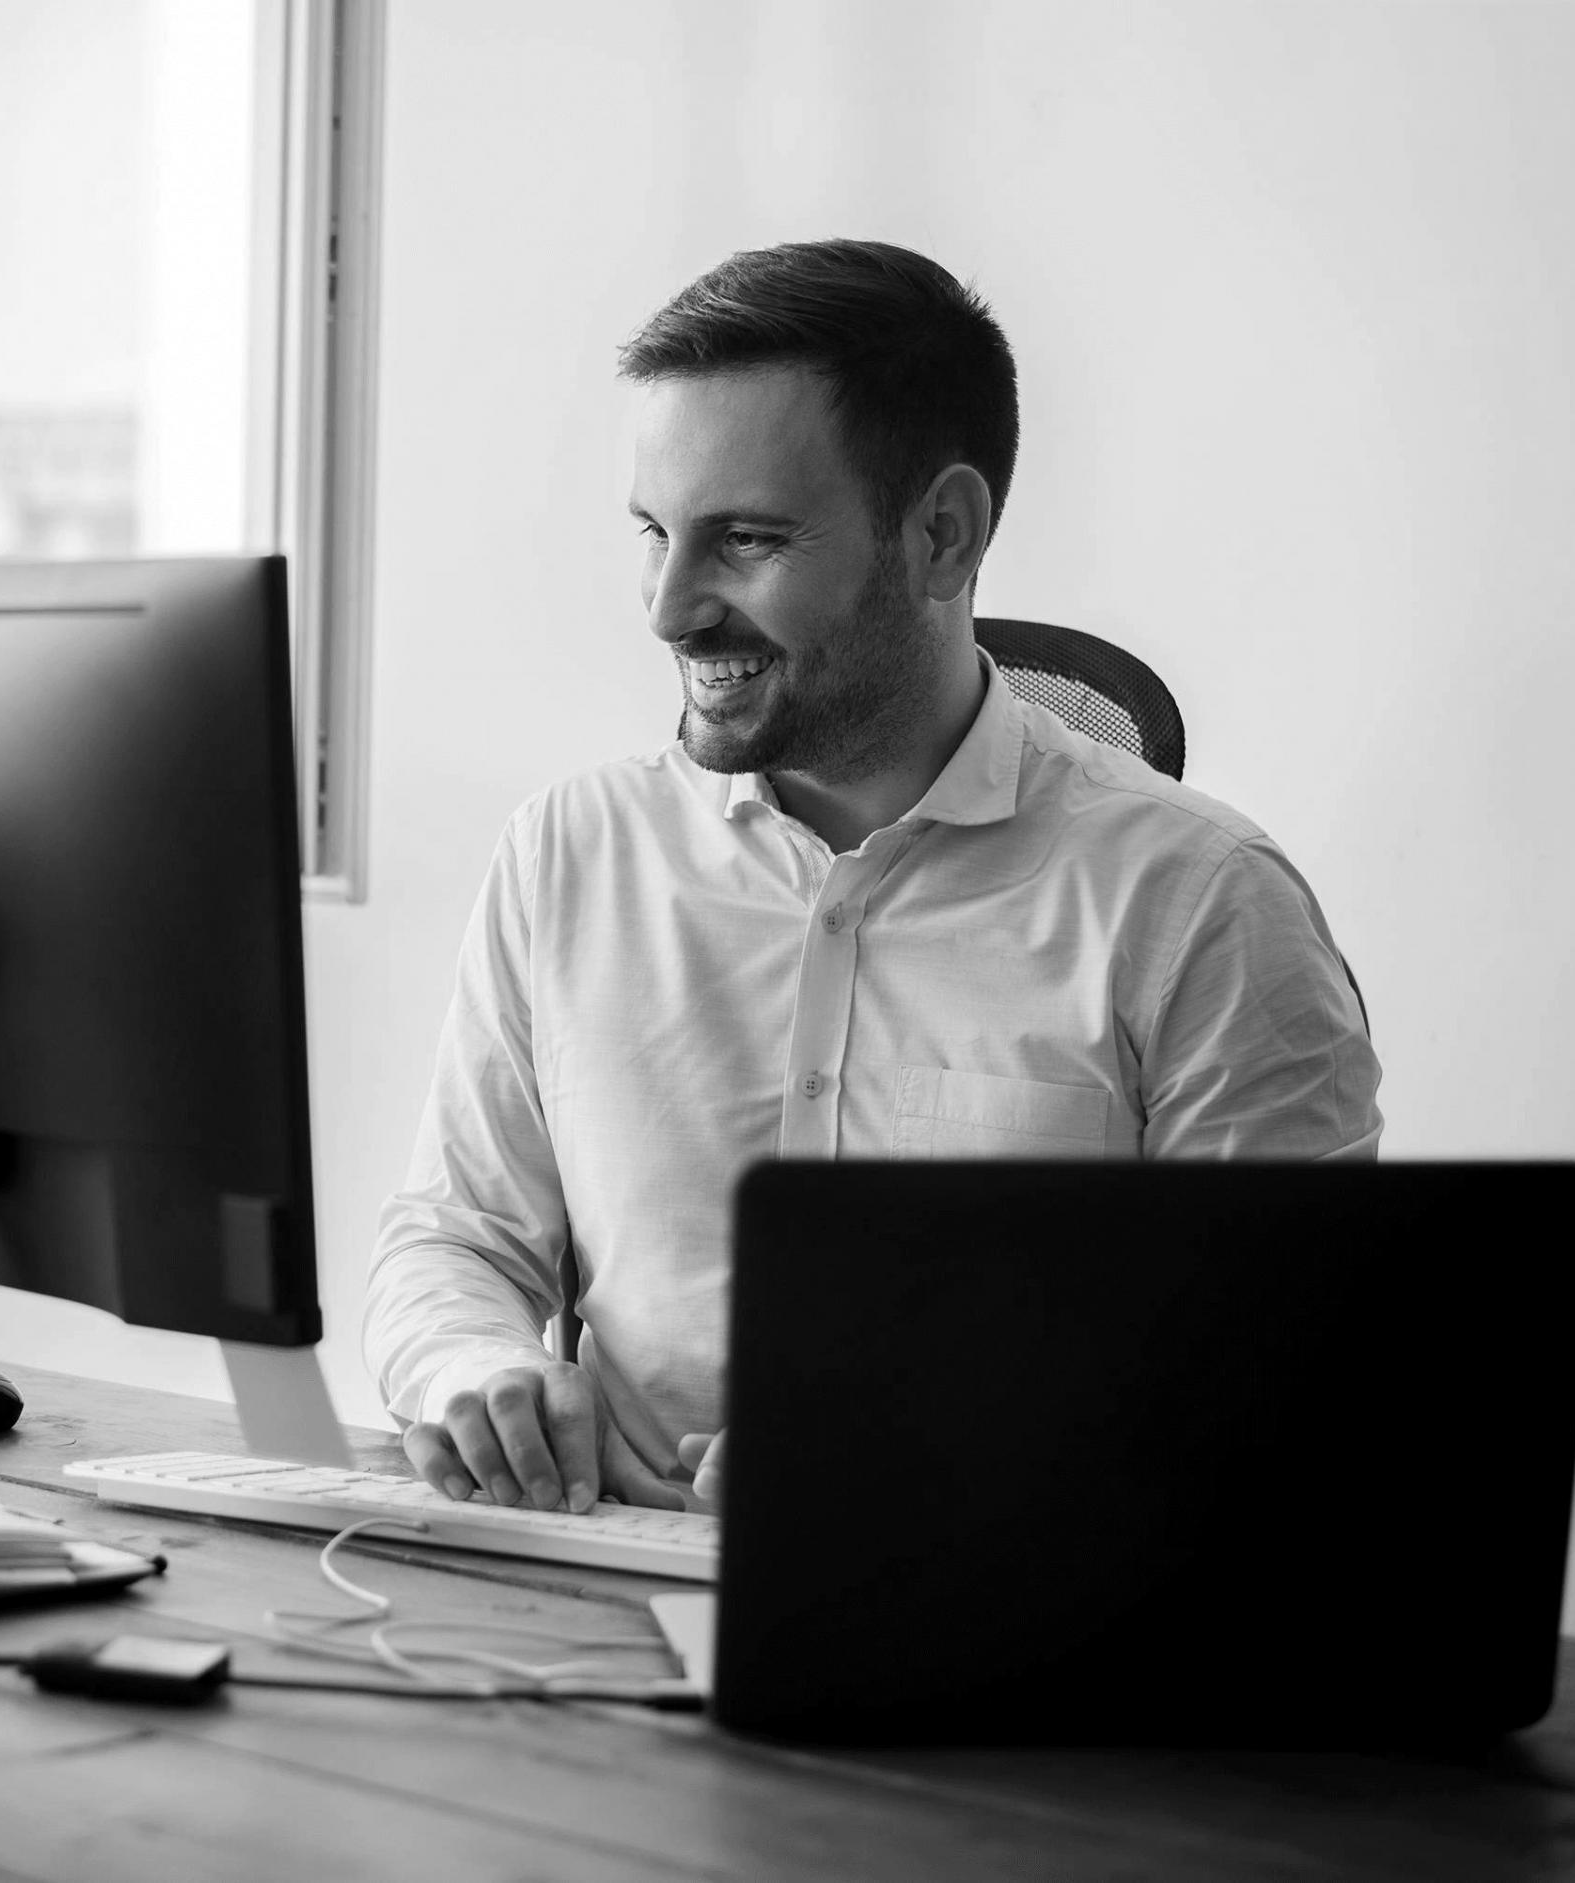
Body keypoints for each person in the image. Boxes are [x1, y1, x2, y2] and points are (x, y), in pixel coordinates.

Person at [364, 239, 1381, 1518]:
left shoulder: (1203, 904)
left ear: (941, 535)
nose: (672, 608)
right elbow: (453, 1237)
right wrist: (476, 1364)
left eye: (743, 540)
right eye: (655, 535)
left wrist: (945, 1451)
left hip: (1011, 1630)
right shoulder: (569, 854)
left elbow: (1283, 1378)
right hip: (593, 1594)